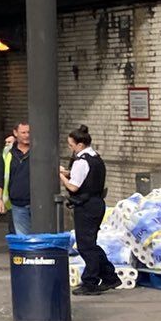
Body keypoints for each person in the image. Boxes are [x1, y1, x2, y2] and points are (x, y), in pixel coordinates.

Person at [61, 125, 110, 295]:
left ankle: (90, 282)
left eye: (71, 145)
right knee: (91, 243)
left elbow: (74, 187)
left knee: (85, 246)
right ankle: (110, 276)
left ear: (80, 145)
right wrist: (67, 172)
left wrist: (60, 176)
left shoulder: (81, 161)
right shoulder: (95, 158)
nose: (70, 148)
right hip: (96, 203)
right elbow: (84, 177)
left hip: (86, 206)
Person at [0, 122, 34, 235]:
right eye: (23, 132)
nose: (27, 135)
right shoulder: (7, 153)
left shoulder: (39, 150)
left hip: (38, 203)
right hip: (17, 204)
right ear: (15, 133)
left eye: (29, 132)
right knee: (23, 240)